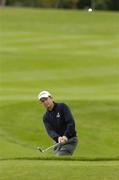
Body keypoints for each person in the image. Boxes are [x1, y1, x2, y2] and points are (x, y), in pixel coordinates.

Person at [38, 90, 78, 156]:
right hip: (58, 142)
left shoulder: (62, 107)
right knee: (56, 159)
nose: (45, 102)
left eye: (46, 99)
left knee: (59, 156)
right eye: (42, 101)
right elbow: (50, 131)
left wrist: (65, 136)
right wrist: (58, 138)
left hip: (70, 140)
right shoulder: (45, 117)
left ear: (51, 98)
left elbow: (71, 122)